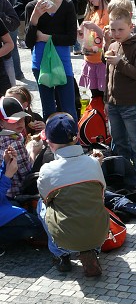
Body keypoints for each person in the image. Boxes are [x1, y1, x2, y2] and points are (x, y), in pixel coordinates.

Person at [37, 112, 109, 276]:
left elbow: (45, 198)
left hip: (66, 237)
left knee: (42, 205)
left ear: (50, 143)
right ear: (76, 138)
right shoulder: (93, 163)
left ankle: (60, 254)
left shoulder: (47, 170)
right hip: (99, 234)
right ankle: (92, 248)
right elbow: (101, 194)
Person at [104, 3, 136, 193]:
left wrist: (120, 63)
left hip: (130, 103)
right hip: (114, 103)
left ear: (130, 27)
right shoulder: (114, 45)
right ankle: (125, 173)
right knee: (119, 141)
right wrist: (107, 99)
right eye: (113, 29)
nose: (116, 33)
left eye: (120, 29)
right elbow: (109, 74)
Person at [24, 0, 78, 121]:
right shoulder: (31, 6)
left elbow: (71, 39)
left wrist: (46, 37)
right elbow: (29, 42)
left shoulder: (67, 5)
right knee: (48, 107)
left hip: (62, 62)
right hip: (40, 62)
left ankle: (72, 140)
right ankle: (51, 141)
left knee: (68, 107)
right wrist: (34, 17)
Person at [0, 146, 47, 247]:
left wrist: (6, 163)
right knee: (38, 227)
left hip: (4, 205)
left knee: (21, 205)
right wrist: (7, 176)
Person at [0, 96, 41, 199]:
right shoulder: (14, 142)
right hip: (16, 194)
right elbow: (26, 175)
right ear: (1, 123)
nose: (20, 123)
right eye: (14, 120)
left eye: (22, 118)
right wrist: (33, 152)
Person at [78, 0, 110, 97]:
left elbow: (112, 38)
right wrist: (81, 33)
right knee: (94, 96)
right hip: (90, 60)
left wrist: (95, 28)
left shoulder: (110, 13)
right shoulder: (93, 12)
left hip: (102, 62)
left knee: (103, 97)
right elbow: (88, 34)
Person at [0, 0, 24, 82]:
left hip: (7, 21)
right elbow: (15, 3)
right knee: (11, 48)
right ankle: (17, 74)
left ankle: (15, 75)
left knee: (10, 48)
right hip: (9, 20)